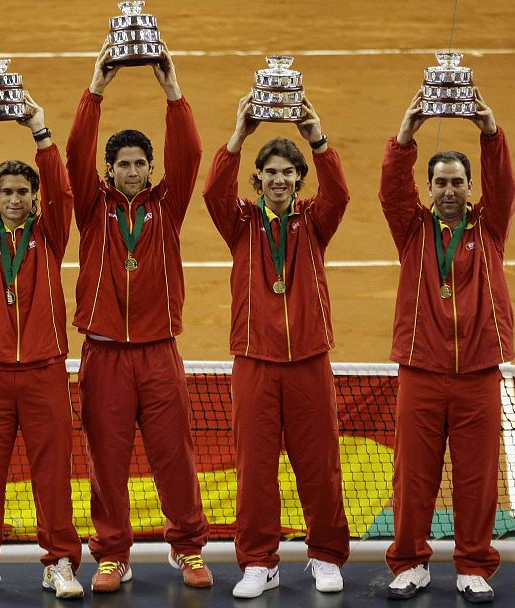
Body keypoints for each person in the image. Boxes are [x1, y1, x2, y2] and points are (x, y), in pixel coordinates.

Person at [65, 40, 211, 592]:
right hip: (103, 352)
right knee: (107, 458)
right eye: (121, 164)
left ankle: (188, 548)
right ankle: (111, 554)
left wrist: (171, 88)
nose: (131, 170)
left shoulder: (166, 207)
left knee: (174, 453)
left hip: (158, 351)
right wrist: (96, 85)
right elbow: (76, 151)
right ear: (109, 170)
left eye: (139, 164)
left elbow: (191, 153)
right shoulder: (90, 205)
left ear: (151, 169)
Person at [203, 93, 351, 598]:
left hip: (309, 359)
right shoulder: (239, 222)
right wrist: (239, 135)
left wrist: (317, 138)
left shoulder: (316, 221)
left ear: (298, 180)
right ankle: (258, 563)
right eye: (271, 172)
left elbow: (341, 194)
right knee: (255, 469)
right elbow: (212, 193)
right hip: (254, 362)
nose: (281, 179)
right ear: (258, 178)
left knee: (320, 465)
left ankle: (326, 555)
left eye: (290, 172)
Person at [380, 88, 515, 604]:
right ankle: (410, 562)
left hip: (478, 372)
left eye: (458, 182)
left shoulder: (490, 227)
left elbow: (504, 184)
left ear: (470, 186)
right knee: (412, 476)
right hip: (420, 370)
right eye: (440, 182)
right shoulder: (412, 229)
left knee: (477, 477)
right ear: (429, 187)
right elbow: (391, 191)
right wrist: (406, 133)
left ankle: (473, 565)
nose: (449, 190)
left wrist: (489, 129)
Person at [0, 94, 83, 600]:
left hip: (45, 369)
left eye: (23, 191)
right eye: (6, 192)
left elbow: (66, 194)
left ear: (34, 196)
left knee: (53, 474)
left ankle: (62, 562)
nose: (14, 199)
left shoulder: (50, 234)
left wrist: (41, 131)